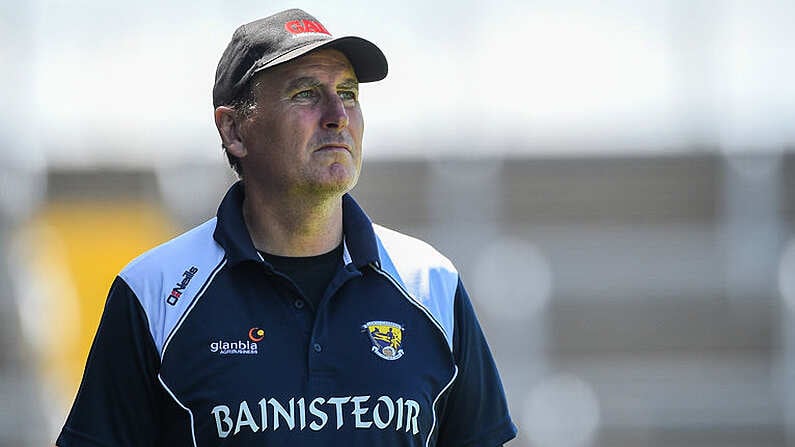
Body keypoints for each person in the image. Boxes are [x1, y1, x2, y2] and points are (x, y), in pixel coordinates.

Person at [55, 8, 517, 447]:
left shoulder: (432, 283)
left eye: (349, 93)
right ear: (234, 130)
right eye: (306, 94)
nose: (338, 114)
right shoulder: (153, 292)